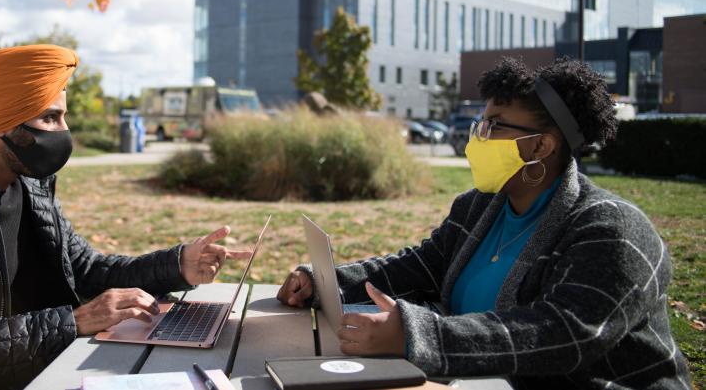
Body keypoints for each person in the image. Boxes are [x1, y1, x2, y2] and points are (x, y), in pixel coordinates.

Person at [277, 57, 692, 389]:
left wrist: (416, 336)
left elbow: (564, 333)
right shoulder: (479, 207)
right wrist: (327, 280)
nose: (477, 136)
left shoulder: (612, 230)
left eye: (492, 126)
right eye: (480, 122)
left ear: (541, 145)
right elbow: (421, 265)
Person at [0, 45, 250, 390]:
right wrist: (72, 322)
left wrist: (178, 264)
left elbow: (86, 272)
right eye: (50, 118)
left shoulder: (31, 185)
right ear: (0, 122)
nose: (64, 132)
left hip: (34, 373)